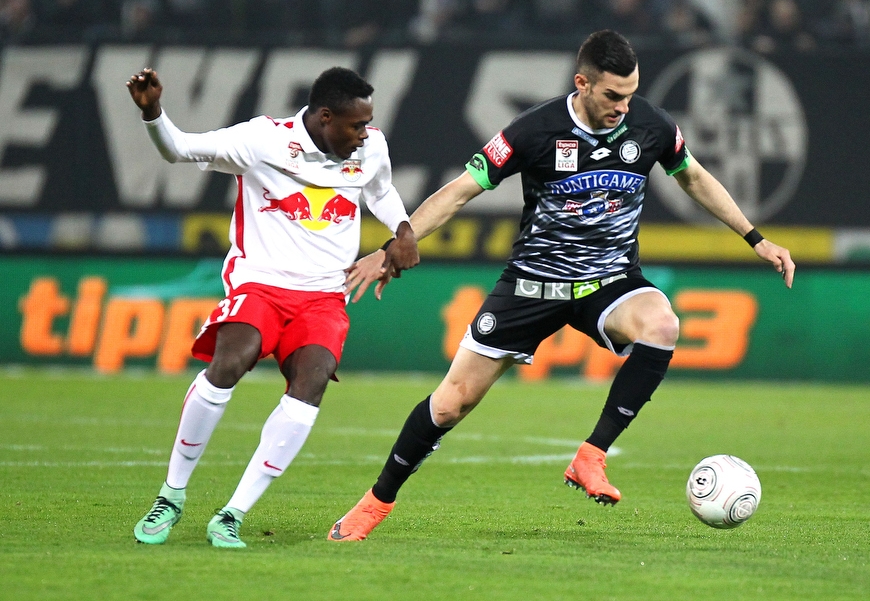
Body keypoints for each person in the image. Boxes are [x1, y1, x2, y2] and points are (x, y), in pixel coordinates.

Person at [331, 29, 795, 541]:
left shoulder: (651, 125)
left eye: (631, 93)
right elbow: (459, 192)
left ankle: (590, 456)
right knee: (450, 404)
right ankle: (376, 503)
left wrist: (756, 238)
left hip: (608, 278)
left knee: (662, 323)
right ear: (583, 83)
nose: (624, 106)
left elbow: (694, 177)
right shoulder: (535, 130)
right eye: (613, 95)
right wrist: (395, 244)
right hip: (533, 284)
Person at [126, 65, 418, 548]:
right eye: (355, 125)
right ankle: (171, 495)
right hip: (259, 283)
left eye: (367, 124)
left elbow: (380, 191)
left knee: (313, 380)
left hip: (325, 294)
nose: (364, 134)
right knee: (231, 362)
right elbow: (178, 148)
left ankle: (232, 514)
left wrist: (403, 229)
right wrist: (153, 112)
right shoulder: (261, 140)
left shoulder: (371, 147)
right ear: (325, 117)